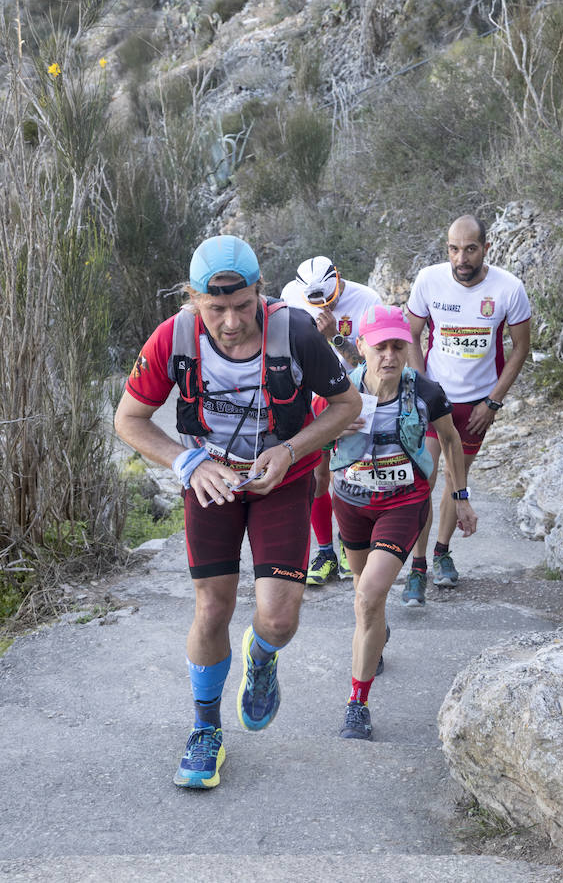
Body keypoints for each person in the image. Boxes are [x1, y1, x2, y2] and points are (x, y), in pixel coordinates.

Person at [114, 235, 361, 788]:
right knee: (212, 609)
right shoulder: (172, 338)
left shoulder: (296, 331)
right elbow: (128, 420)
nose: (230, 322)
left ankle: (263, 656)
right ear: (192, 298)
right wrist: (186, 462)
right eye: (215, 308)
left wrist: (293, 448)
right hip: (211, 483)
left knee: (277, 618)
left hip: (283, 478)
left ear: (260, 291)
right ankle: (205, 730)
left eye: (243, 305)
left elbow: (348, 405)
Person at [330, 304, 477, 739]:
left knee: (368, 596)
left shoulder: (426, 392)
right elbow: (307, 443)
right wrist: (333, 429)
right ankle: (377, 630)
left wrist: (461, 498)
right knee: (365, 596)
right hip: (351, 503)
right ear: (361, 347)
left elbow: (451, 440)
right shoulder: (339, 394)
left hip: (402, 504)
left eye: (398, 346)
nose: (390, 356)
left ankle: (358, 702)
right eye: (381, 347)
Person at [403, 214, 531, 606]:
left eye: (470, 249)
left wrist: (492, 402)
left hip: (475, 406)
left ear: (485, 248)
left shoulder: (509, 288)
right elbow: (411, 333)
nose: (461, 258)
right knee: (423, 480)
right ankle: (418, 567)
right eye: (454, 249)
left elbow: (520, 348)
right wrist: (421, 388)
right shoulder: (428, 280)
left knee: (457, 478)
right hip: (433, 398)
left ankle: (442, 552)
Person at [281, 256, 381, 586]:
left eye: (330, 296)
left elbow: (373, 362)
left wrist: (336, 337)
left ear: (339, 278)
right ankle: (325, 552)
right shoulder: (289, 297)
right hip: (310, 399)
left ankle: (351, 542)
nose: (326, 305)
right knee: (317, 475)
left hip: (354, 397)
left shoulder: (367, 299)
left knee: (352, 473)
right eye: (317, 301)